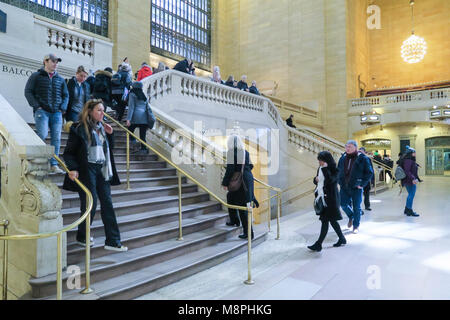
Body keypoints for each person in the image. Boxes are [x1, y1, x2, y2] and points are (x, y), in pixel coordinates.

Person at [62, 99, 127, 252]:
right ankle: (82, 235)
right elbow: (69, 153)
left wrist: (110, 135)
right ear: (90, 111)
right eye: (99, 110)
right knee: (91, 204)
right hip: (86, 169)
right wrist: (72, 168)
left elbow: (108, 151)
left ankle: (113, 241)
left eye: (103, 110)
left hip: (102, 169)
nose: (102, 113)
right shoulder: (78, 128)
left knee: (108, 204)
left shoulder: (104, 128)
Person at [24, 53, 69, 174]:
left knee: (56, 139)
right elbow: (28, 91)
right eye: (53, 61)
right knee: (42, 135)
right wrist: (36, 106)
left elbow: (66, 95)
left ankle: (54, 164)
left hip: (56, 113)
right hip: (42, 111)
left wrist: (62, 108)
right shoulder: (36, 76)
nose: (55, 64)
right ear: (45, 61)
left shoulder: (60, 79)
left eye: (57, 62)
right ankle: (38, 162)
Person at [307, 151, 346, 252]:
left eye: (321, 160)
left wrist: (325, 168)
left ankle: (318, 244)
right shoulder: (320, 168)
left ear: (326, 160)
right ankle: (342, 239)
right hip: (323, 198)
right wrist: (315, 180)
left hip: (331, 199)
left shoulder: (334, 169)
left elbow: (330, 181)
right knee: (332, 221)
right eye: (319, 160)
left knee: (325, 221)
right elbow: (318, 180)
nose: (319, 162)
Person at [222, 135, 259, 240]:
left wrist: (225, 183)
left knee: (243, 208)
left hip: (240, 182)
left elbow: (230, 169)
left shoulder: (231, 152)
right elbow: (251, 166)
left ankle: (248, 233)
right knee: (231, 197)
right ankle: (234, 220)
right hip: (247, 179)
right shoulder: (245, 152)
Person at [337, 140, 373, 233]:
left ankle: (356, 225)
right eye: (346, 146)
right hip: (344, 187)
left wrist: (362, 184)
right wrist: (339, 181)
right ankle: (351, 216)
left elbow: (369, 173)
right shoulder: (343, 157)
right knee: (343, 204)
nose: (347, 148)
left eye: (350, 147)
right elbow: (338, 170)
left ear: (355, 148)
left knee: (357, 207)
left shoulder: (362, 158)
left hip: (356, 187)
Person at [126, 81, 151, 155]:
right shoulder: (143, 95)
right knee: (142, 136)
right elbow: (147, 107)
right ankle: (143, 149)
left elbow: (131, 107)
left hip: (135, 117)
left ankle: (134, 142)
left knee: (130, 130)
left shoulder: (132, 94)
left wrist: (128, 119)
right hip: (144, 118)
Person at [399, 146, 421, 217]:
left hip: (409, 180)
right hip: (409, 180)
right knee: (411, 195)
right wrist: (413, 179)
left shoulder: (409, 160)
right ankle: (409, 210)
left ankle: (407, 209)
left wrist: (416, 165)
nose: (415, 154)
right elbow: (407, 171)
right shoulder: (408, 160)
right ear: (411, 153)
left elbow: (410, 166)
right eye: (414, 152)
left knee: (410, 195)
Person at [359, 147, 374, 212]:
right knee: (358, 195)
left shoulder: (368, 159)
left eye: (362, 151)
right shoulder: (357, 159)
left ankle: (367, 206)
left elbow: (371, 170)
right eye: (360, 151)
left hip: (366, 179)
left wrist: (372, 179)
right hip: (359, 179)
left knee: (367, 193)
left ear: (364, 152)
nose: (361, 153)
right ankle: (358, 207)